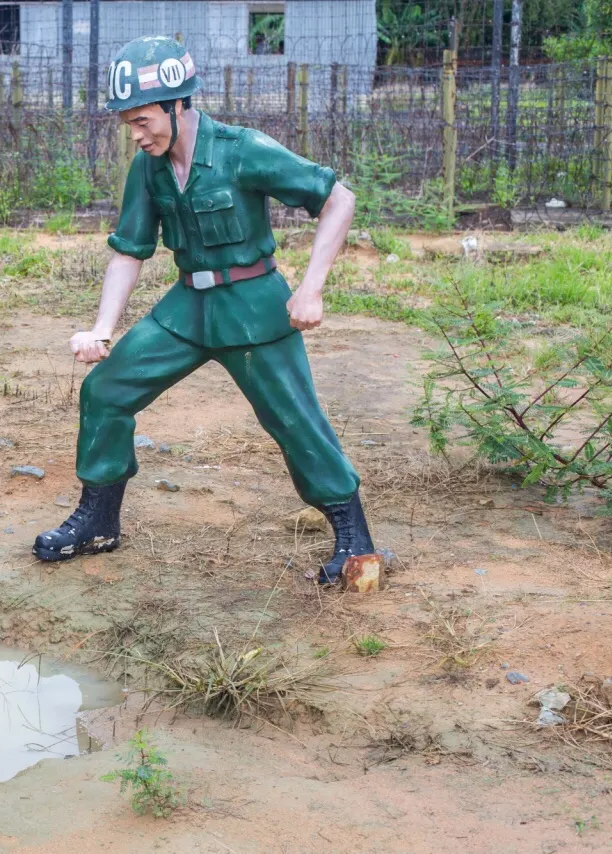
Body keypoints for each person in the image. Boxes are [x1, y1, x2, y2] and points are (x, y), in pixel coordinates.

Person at [33, 36, 376, 584]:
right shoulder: (149, 167)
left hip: (253, 309)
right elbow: (129, 250)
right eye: (128, 125)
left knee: (295, 421)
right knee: (106, 391)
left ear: (178, 104)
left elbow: (339, 199)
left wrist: (311, 289)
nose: (136, 135)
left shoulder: (243, 149)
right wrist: (102, 328)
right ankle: (98, 520)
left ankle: (354, 539)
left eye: (143, 120)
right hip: (188, 308)